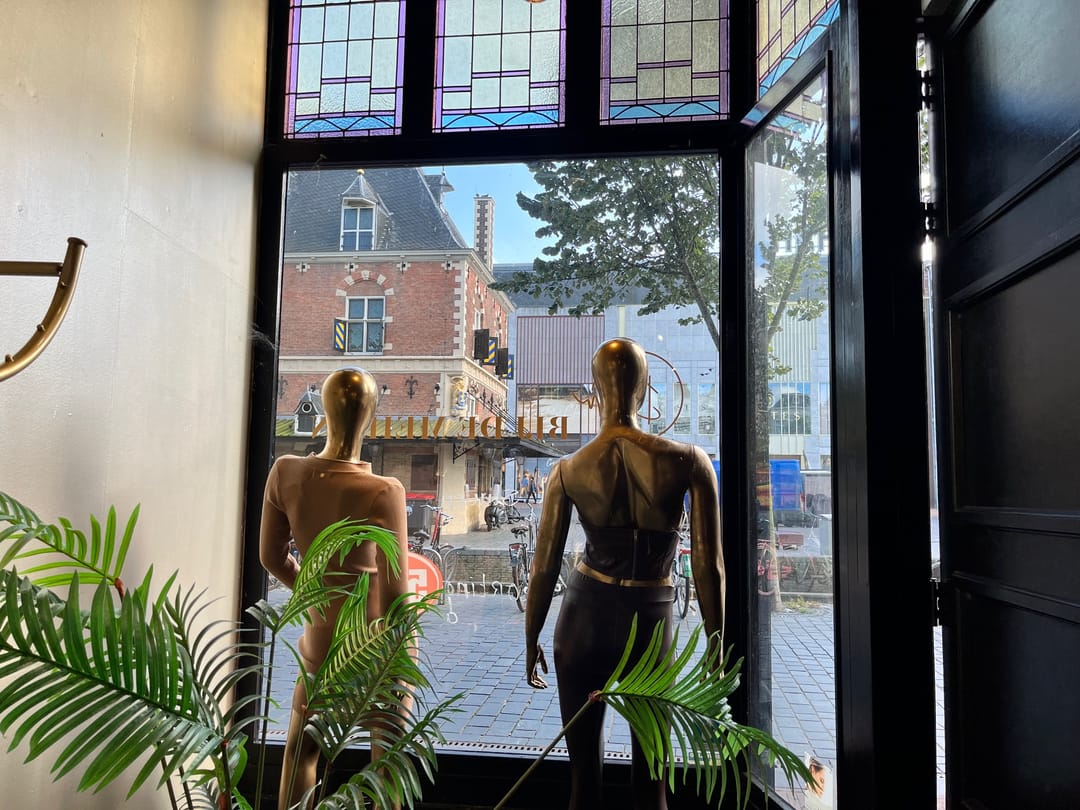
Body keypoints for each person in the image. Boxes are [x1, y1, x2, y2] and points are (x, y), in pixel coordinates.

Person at [524, 338, 724, 810]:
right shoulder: (688, 460)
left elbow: (544, 566)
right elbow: (708, 564)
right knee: (652, 782)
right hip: (651, 618)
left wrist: (531, 638)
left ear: (595, 392)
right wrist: (717, 640)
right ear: (645, 389)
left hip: (583, 617)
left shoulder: (567, 470)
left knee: (582, 783)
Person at [260, 367, 411, 810]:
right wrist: (407, 660)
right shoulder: (383, 490)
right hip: (372, 645)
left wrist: (318, 594)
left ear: (324, 412)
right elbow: (397, 596)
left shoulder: (286, 473)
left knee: (301, 751)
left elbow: (271, 558)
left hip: (320, 638)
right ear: (371, 418)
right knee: (386, 763)